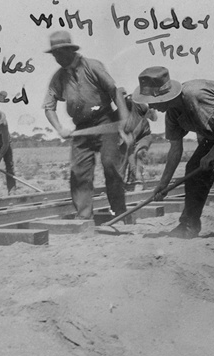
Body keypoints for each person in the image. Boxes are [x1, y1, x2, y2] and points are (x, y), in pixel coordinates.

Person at [132, 66, 214, 250]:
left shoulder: (196, 96)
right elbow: (175, 149)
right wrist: (163, 184)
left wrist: (212, 155)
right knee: (194, 169)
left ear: (164, 96)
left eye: (152, 101)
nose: (150, 106)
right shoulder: (172, 113)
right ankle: (188, 226)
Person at [42, 30, 132, 220]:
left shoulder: (92, 66)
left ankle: (120, 213)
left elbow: (115, 92)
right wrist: (59, 128)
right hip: (82, 128)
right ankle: (84, 217)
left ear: (70, 50)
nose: (56, 58)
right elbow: (49, 107)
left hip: (105, 122)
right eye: (54, 54)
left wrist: (124, 125)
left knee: (111, 166)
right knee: (79, 172)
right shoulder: (58, 77)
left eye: (59, 53)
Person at [118, 87, 158, 188]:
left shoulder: (139, 105)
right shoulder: (117, 114)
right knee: (123, 160)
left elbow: (154, 118)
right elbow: (119, 131)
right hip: (129, 139)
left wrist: (151, 109)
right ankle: (122, 183)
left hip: (143, 136)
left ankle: (137, 181)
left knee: (139, 153)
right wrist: (126, 139)